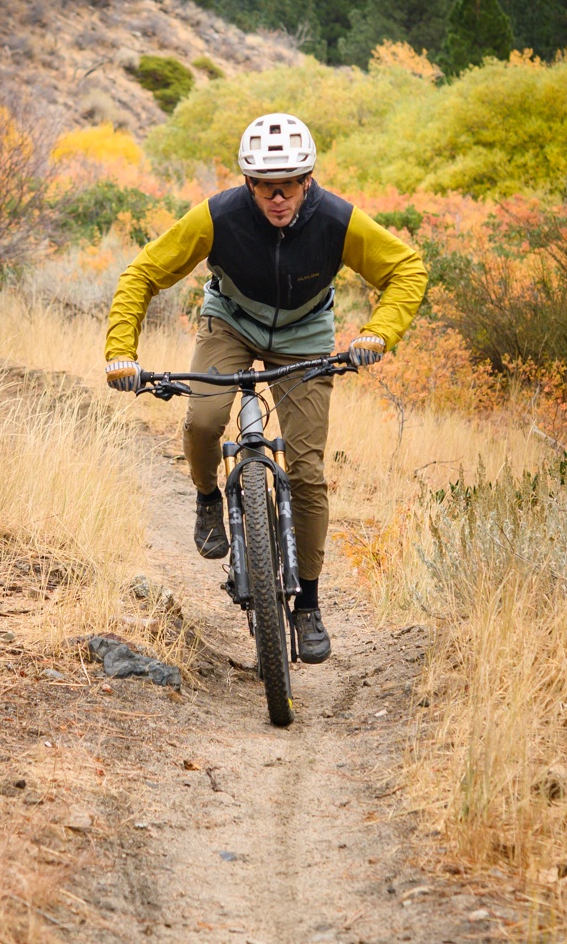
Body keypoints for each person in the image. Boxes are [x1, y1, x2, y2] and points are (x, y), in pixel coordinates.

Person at [102, 112, 427, 663]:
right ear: (248, 183)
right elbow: (143, 273)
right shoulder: (218, 217)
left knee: (306, 470)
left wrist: (378, 332)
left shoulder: (336, 220)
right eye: (265, 187)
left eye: (289, 186)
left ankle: (309, 604)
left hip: (305, 336)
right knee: (204, 421)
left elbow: (407, 269)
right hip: (230, 322)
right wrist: (120, 353)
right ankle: (209, 498)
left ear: (307, 181)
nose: (278, 199)